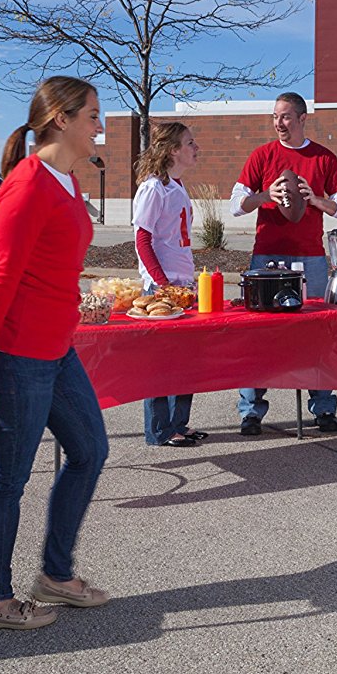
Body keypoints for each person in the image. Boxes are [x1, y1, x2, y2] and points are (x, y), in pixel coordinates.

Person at [0, 75, 111, 631]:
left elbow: (52, 267)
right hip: (19, 355)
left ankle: (54, 575)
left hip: (57, 349)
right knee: (8, 479)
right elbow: (0, 281)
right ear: (62, 120)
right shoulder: (26, 186)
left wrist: (75, 302)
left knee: (91, 450)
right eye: (93, 116)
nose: (101, 126)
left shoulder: (68, 182)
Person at [228, 92, 337, 436]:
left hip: (311, 256)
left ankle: (323, 409)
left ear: (302, 118)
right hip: (266, 256)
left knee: (317, 332)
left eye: (285, 117)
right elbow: (235, 204)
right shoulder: (262, 156)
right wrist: (265, 195)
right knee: (259, 335)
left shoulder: (323, 158)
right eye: (275, 117)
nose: (279, 124)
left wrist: (315, 199)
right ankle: (251, 412)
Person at [133, 121, 206, 448]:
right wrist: (161, 286)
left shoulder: (176, 186)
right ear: (173, 149)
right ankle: (160, 430)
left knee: (186, 362)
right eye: (190, 143)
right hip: (162, 290)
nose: (196, 148)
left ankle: (179, 423)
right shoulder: (153, 188)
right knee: (162, 364)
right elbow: (142, 240)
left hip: (182, 287)